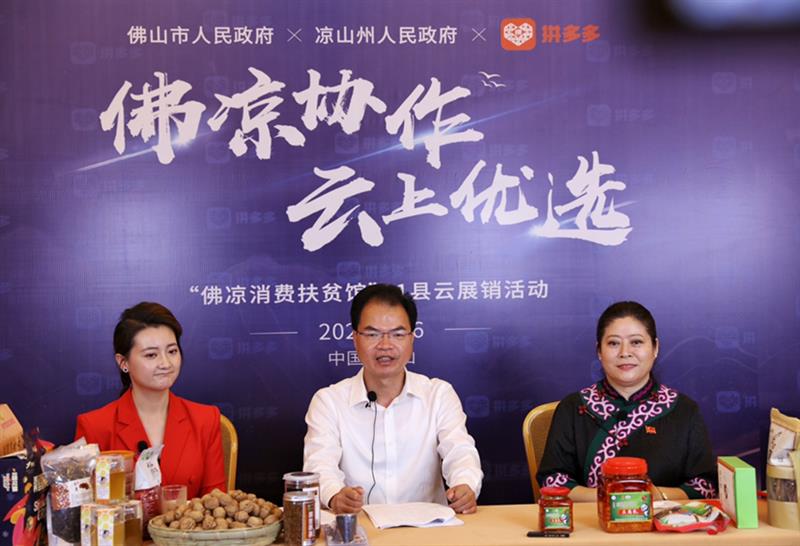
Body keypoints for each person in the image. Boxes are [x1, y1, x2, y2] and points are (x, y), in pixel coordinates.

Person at [303, 284, 483, 514]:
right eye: (372, 334)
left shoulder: (438, 394)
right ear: (355, 338)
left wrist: (465, 484)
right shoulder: (328, 401)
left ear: (412, 339)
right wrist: (335, 495)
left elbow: (460, 451)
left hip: (428, 527)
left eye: (398, 334)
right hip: (358, 527)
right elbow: (319, 464)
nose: (385, 345)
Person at [537, 301, 717, 502]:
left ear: (655, 348)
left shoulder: (684, 410)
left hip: (663, 520)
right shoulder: (573, 407)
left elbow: (706, 486)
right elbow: (553, 480)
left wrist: (655, 496)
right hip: (591, 520)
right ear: (599, 351)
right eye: (613, 343)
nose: (625, 352)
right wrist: (610, 498)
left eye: (636, 342)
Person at [75, 302, 226, 498]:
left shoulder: (205, 419)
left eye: (172, 351)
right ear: (123, 362)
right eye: (151, 355)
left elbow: (216, 502)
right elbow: (86, 507)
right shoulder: (94, 426)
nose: (166, 363)